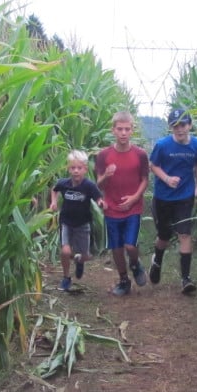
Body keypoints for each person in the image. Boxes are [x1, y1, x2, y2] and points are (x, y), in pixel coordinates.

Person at [149, 108, 197, 294]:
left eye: (183, 124)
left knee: (184, 234)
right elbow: (153, 165)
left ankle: (186, 279)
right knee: (164, 236)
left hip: (185, 197)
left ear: (189, 125)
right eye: (175, 125)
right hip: (163, 197)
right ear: (170, 127)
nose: (179, 129)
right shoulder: (162, 145)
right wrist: (167, 179)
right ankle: (156, 260)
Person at [95, 111, 150, 296]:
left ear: (132, 131)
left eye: (127, 129)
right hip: (112, 208)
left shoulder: (140, 155)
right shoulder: (103, 156)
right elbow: (99, 184)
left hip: (133, 208)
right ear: (113, 130)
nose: (123, 133)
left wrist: (134, 198)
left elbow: (145, 180)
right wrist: (106, 176)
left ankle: (135, 264)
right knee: (117, 248)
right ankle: (124, 280)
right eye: (120, 129)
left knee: (130, 246)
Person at [49, 150, 105, 291]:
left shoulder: (88, 185)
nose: (76, 171)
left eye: (79, 168)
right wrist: (54, 202)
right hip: (66, 222)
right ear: (69, 169)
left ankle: (80, 261)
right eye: (73, 168)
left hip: (83, 224)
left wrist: (101, 203)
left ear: (85, 170)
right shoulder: (64, 183)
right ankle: (66, 278)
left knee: (84, 256)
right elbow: (54, 189)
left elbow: (98, 197)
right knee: (66, 252)